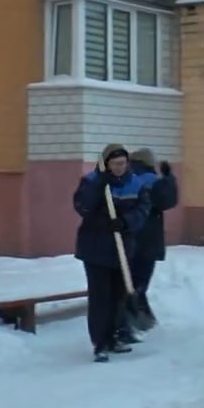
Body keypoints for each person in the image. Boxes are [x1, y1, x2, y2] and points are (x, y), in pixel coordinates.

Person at [72, 144, 151, 362]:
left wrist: (125, 222)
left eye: (123, 163)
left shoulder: (135, 184)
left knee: (118, 297)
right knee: (100, 298)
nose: (119, 167)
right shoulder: (91, 182)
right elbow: (82, 207)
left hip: (122, 250)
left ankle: (114, 337)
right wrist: (100, 186)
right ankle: (100, 343)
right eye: (115, 164)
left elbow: (143, 210)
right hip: (95, 249)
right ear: (106, 164)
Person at [115, 148, 178, 340]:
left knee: (130, 282)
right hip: (147, 239)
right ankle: (127, 324)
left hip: (129, 238)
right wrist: (169, 178)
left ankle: (133, 322)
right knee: (138, 284)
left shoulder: (126, 179)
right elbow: (167, 200)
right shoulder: (150, 180)